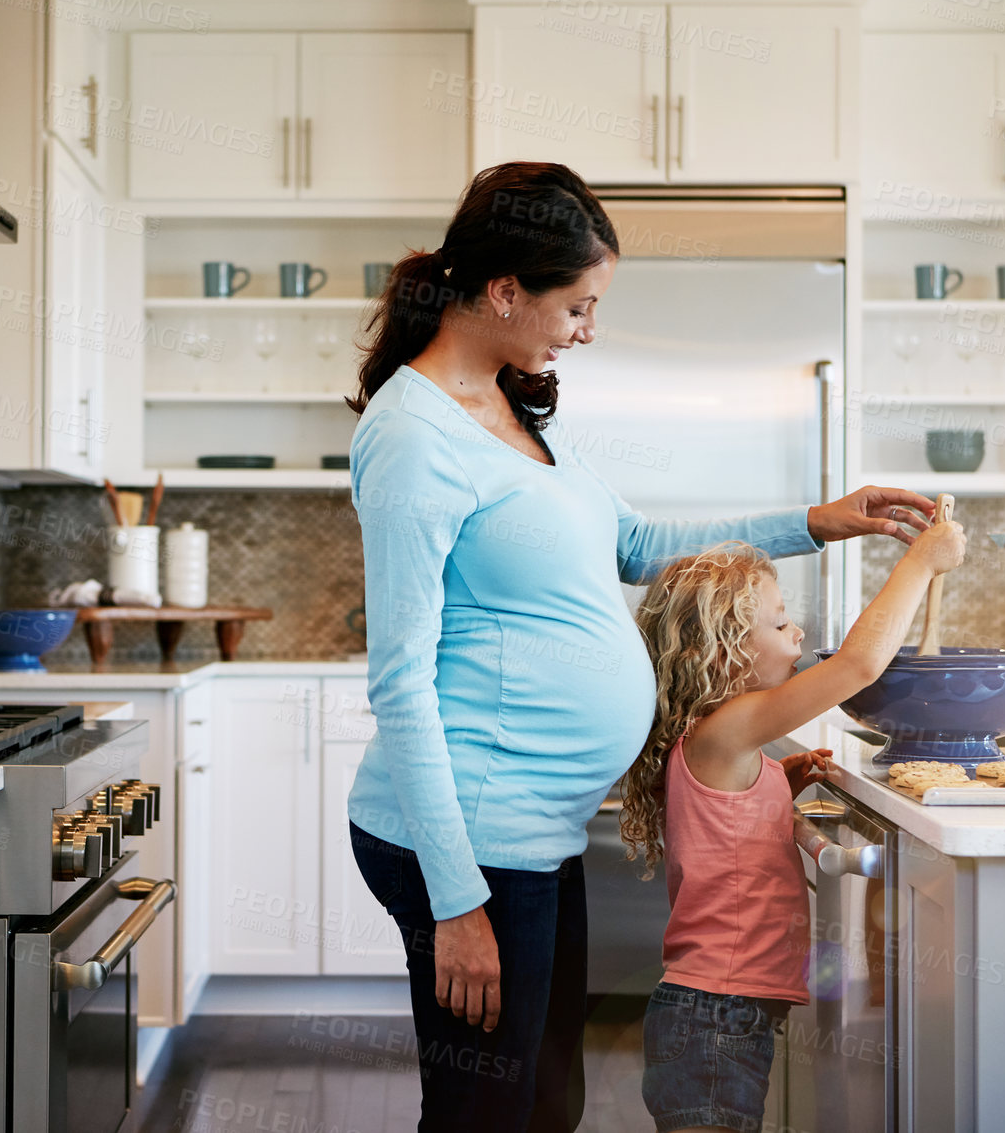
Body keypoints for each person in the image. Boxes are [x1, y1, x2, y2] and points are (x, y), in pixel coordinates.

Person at [343, 159, 939, 1133]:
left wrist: (816, 522)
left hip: (529, 834)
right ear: (502, 291)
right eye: (574, 306)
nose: (585, 330)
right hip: (469, 839)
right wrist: (454, 904)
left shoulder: (514, 409)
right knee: (485, 1112)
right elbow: (400, 687)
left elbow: (642, 546)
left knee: (543, 1101)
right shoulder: (414, 438)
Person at [619, 524, 965, 1133]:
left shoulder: (718, 739)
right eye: (780, 624)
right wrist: (919, 562)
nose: (797, 633)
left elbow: (723, 826)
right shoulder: (731, 726)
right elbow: (859, 664)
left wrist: (779, 782)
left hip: (718, 1016)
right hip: (716, 1020)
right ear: (723, 651)